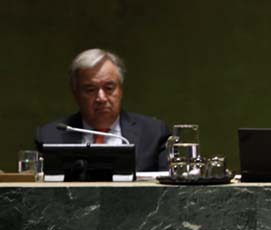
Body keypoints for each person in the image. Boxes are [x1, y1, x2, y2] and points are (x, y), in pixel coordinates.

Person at [35, 48, 170, 172]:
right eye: (90, 89)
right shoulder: (49, 137)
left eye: (109, 88)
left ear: (121, 90)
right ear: (76, 94)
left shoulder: (153, 134)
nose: (101, 98)